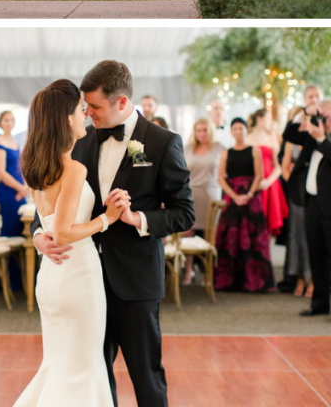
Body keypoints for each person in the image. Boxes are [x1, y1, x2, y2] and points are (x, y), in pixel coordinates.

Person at [31, 60, 194, 407]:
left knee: (146, 376)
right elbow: (50, 198)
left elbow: (184, 212)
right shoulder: (79, 139)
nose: (87, 113)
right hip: (82, 281)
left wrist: (137, 218)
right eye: (84, 106)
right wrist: (37, 235)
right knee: (92, 375)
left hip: (135, 281)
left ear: (121, 102)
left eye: (95, 106)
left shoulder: (163, 142)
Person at [15, 80, 128, 407]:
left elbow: (50, 226)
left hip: (51, 275)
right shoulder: (73, 169)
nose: (84, 115)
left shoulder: (36, 166)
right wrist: (107, 217)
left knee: (58, 365)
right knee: (83, 367)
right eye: (80, 109)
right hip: (77, 275)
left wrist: (39, 238)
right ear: (67, 118)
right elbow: (63, 233)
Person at [285, 99, 331, 322]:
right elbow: (289, 134)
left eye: (327, 117)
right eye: (321, 117)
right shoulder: (312, 134)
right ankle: (319, 304)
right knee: (316, 256)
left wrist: (321, 138)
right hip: (311, 204)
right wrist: (303, 113)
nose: (324, 122)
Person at [214, 117, 273, 293]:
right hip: (232, 199)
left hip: (250, 199)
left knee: (253, 238)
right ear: (231, 131)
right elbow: (221, 178)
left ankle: (254, 281)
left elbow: (259, 175)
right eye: (235, 129)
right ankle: (229, 281)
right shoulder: (226, 152)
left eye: (241, 128)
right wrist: (233, 196)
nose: (238, 131)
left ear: (246, 130)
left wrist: (248, 194)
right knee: (230, 239)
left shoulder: (254, 150)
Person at [182, 117, 223, 284]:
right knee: (188, 233)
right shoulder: (187, 148)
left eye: (205, 130)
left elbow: (224, 171)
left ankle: (208, 274)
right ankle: (188, 271)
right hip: (190, 194)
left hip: (210, 195)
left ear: (210, 131)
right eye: (198, 130)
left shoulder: (219, 148)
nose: (202, 134)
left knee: (209, 235)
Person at [0, 110, 27, 290]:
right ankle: (3, 279)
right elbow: (1, 172)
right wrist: (20, 188)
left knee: (20, 232)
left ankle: (18, 277)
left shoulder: (14, 142)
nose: (9, 123)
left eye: (12, 120)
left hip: (19, 191)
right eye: (6, 120)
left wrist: (26, 186)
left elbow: (18, 168)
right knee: (10, 232)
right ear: (0, 122)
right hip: (8, 193)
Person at [281, 106, 312, 298]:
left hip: (314, 193)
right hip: (295, 192)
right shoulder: (291, 143)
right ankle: (299, 277)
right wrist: (291, 180)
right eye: (302, 120)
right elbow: (284, 167)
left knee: (312, 237)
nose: (304, 123)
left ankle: (314, 280)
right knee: (296, 237)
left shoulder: (314, 140)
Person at [247, 108, 288, 236]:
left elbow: (278, 166)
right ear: (259, 119)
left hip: (269, 184)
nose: (271, 121)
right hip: (251, 183)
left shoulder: (271, 139)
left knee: (268, 222)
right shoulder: (246, 138)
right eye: (268, 118)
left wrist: (268, 181)